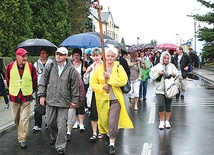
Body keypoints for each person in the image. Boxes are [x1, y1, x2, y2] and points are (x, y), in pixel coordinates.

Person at [90, 48, 134, 155]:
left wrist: (110, 78)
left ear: (115, 57)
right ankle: (106, 135)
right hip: (103, 100)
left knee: (112, 122)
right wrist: (102, 87)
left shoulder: (119, 68)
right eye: (108, 56)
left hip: (115, 99)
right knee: (104, 121)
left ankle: (112, 144)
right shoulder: (99, 69)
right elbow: (93, 83)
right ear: (105, 56)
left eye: (112, 56)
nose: (110, 58)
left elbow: (123, 81)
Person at [37, 47, 79, 155]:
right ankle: (54, 136)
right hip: (50, 99)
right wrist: (41, 95)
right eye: (57, 54)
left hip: (64, 101)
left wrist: (74, 100)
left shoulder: (71, 69)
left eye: (61, 54)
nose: (58, 56)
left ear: (65, 56)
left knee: (61, 124)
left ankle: (60, 146)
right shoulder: (50, 66)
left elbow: (75, 86)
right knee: (50, 122)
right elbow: (43, 81)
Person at [5, 48, 37, 149]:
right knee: (16, 118)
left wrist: (32, 91)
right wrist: (12, 89)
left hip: (26, 96)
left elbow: (34, 80)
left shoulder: (31, 67)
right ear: (17, 56)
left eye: (26, 56)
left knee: (24, 119)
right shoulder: (10, 66)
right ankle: (21, 132)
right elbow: (7, 79)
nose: (25, 58)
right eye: (23, 56)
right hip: (14, 96)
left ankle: (22, 138)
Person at [149, 51, 178, 130]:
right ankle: (161, 121)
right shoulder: (157, 66)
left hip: (169, 89)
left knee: (168, 106)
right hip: (160, 89)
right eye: (165, 58)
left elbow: (177, 73)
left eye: (168, 58)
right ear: (162, 58)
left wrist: (173, 74)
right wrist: (158, 73)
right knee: (161, 105)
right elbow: (151, 74)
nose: (166, 59)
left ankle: (167, 121)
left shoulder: (172, 66)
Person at [83, 48, 103, 141]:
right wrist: (86, 73)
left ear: (101, 56)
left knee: (102, 113)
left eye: (97, 55)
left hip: (102, 93)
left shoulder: (105, 66)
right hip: (93, 92)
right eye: (94, 56)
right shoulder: (91, 67)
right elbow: (86, 82)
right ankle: (94, 132)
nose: (95, 58)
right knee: (93, 113)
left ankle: (101, 132)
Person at [32, 48, 52, 132]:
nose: (42, 55)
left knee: (49, 105)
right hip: (39, 86)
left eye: (44, 53)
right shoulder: (36, 63)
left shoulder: (51, 63)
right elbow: (33, 75)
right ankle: (37, 124)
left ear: (47, 54)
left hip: (49, 87)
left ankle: (48, 122)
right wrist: (35, 71)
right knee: (38, 105)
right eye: (41, 53)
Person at [70, 48, 89, 131]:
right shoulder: (69, 64)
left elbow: (88, 76)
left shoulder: (85, 64)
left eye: (78, 55)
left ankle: (81, 123)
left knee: (81, 105)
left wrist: (86, 72)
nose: (76, 57)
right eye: (74, 55)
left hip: (82, 87)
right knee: (73, 104)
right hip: (72, 87)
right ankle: (76, 121)